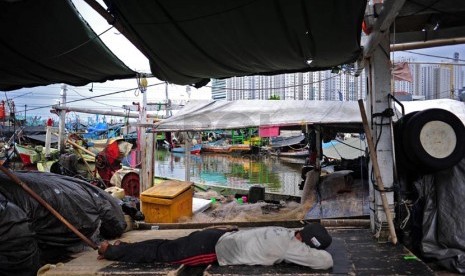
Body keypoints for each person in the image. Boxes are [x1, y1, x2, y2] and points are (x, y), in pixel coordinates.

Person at [97, 223, 333, 269]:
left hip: (215, 235)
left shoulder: (286, 230)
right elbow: (326, 262)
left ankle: (122, 246)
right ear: (306, 243)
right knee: (162, 254)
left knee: (165, 245)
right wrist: (316, 252)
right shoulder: (290, 246)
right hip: (210, 250)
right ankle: (113, 251)